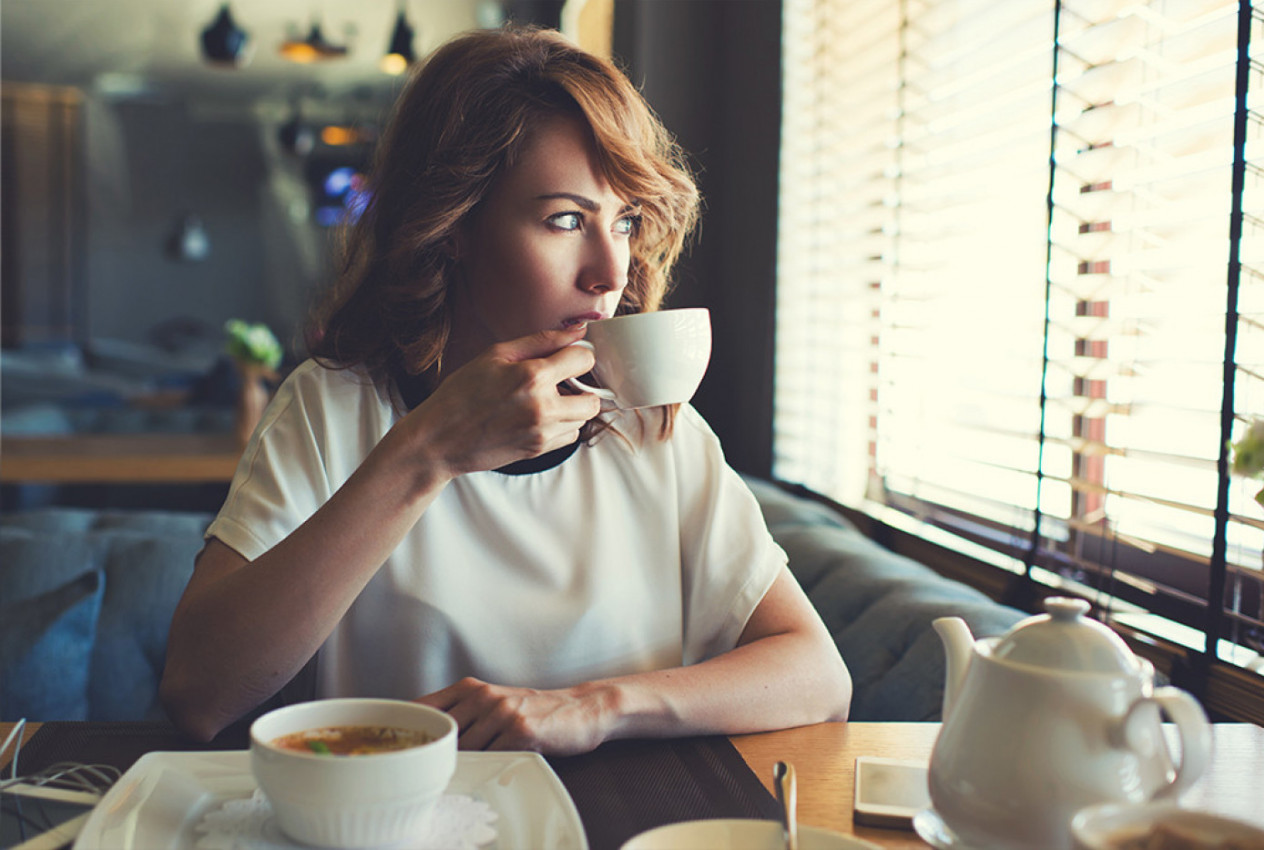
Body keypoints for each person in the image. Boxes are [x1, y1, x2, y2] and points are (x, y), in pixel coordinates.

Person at [160, 25, 851, 755]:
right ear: (452, 225)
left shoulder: (653, 429)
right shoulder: (332, 408)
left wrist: (596, 707)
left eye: (623, 221)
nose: (609, 272)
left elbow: (817, 677)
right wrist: (425, 452)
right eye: (563, 219)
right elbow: (198, 696)